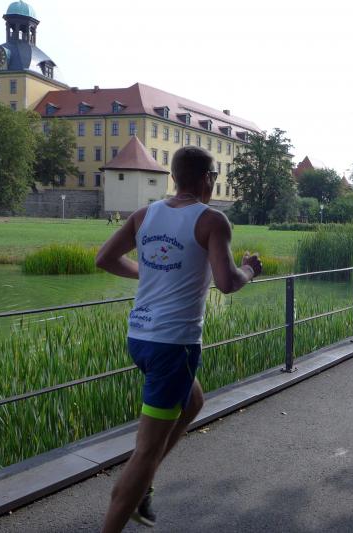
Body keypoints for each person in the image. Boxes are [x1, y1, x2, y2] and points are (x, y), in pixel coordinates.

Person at [95, 146, 262, 532]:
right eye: (214, 177)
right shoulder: (212, 220)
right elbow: (227, 282)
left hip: (140, 337)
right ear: (207, 179)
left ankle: (141, 483)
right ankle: (132, 494)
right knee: (146, 450)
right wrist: (250, 270)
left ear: (173, 177)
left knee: (194, 401)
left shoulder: (145, 215)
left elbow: (104, 259)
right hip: (174, 346)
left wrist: (152, 272)